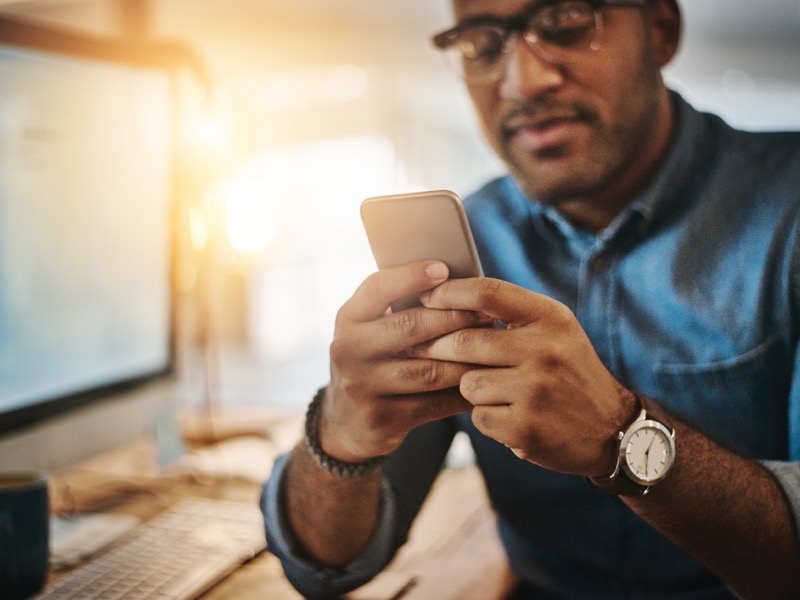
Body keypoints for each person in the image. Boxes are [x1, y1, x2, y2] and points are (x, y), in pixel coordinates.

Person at [262, 0, 800, 598]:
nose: (522, 80)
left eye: (567, 22)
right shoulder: (464, 246)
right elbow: (326, 568)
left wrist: (619, 437)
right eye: (481, 44)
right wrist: (341, 433)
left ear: (660, 30)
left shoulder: (789, 213)